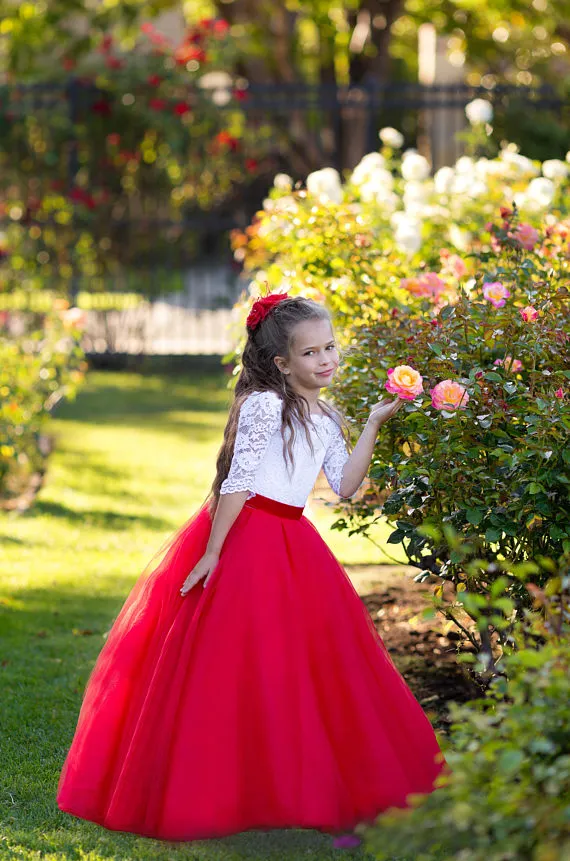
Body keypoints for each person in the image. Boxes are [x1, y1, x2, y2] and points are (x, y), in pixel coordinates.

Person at [57, 293, 447, 844]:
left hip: (295, 542)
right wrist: (213, 552)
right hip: (248, 536)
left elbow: (345, 484)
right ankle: (218, 785)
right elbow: (238, 480)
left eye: (330, 348)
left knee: (301, 661)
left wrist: (374, 424)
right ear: (282, 363)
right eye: (311, 353)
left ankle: (284, 783)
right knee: (230, 660)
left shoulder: (327, 414)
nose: (326, 360)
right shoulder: (266, 404)